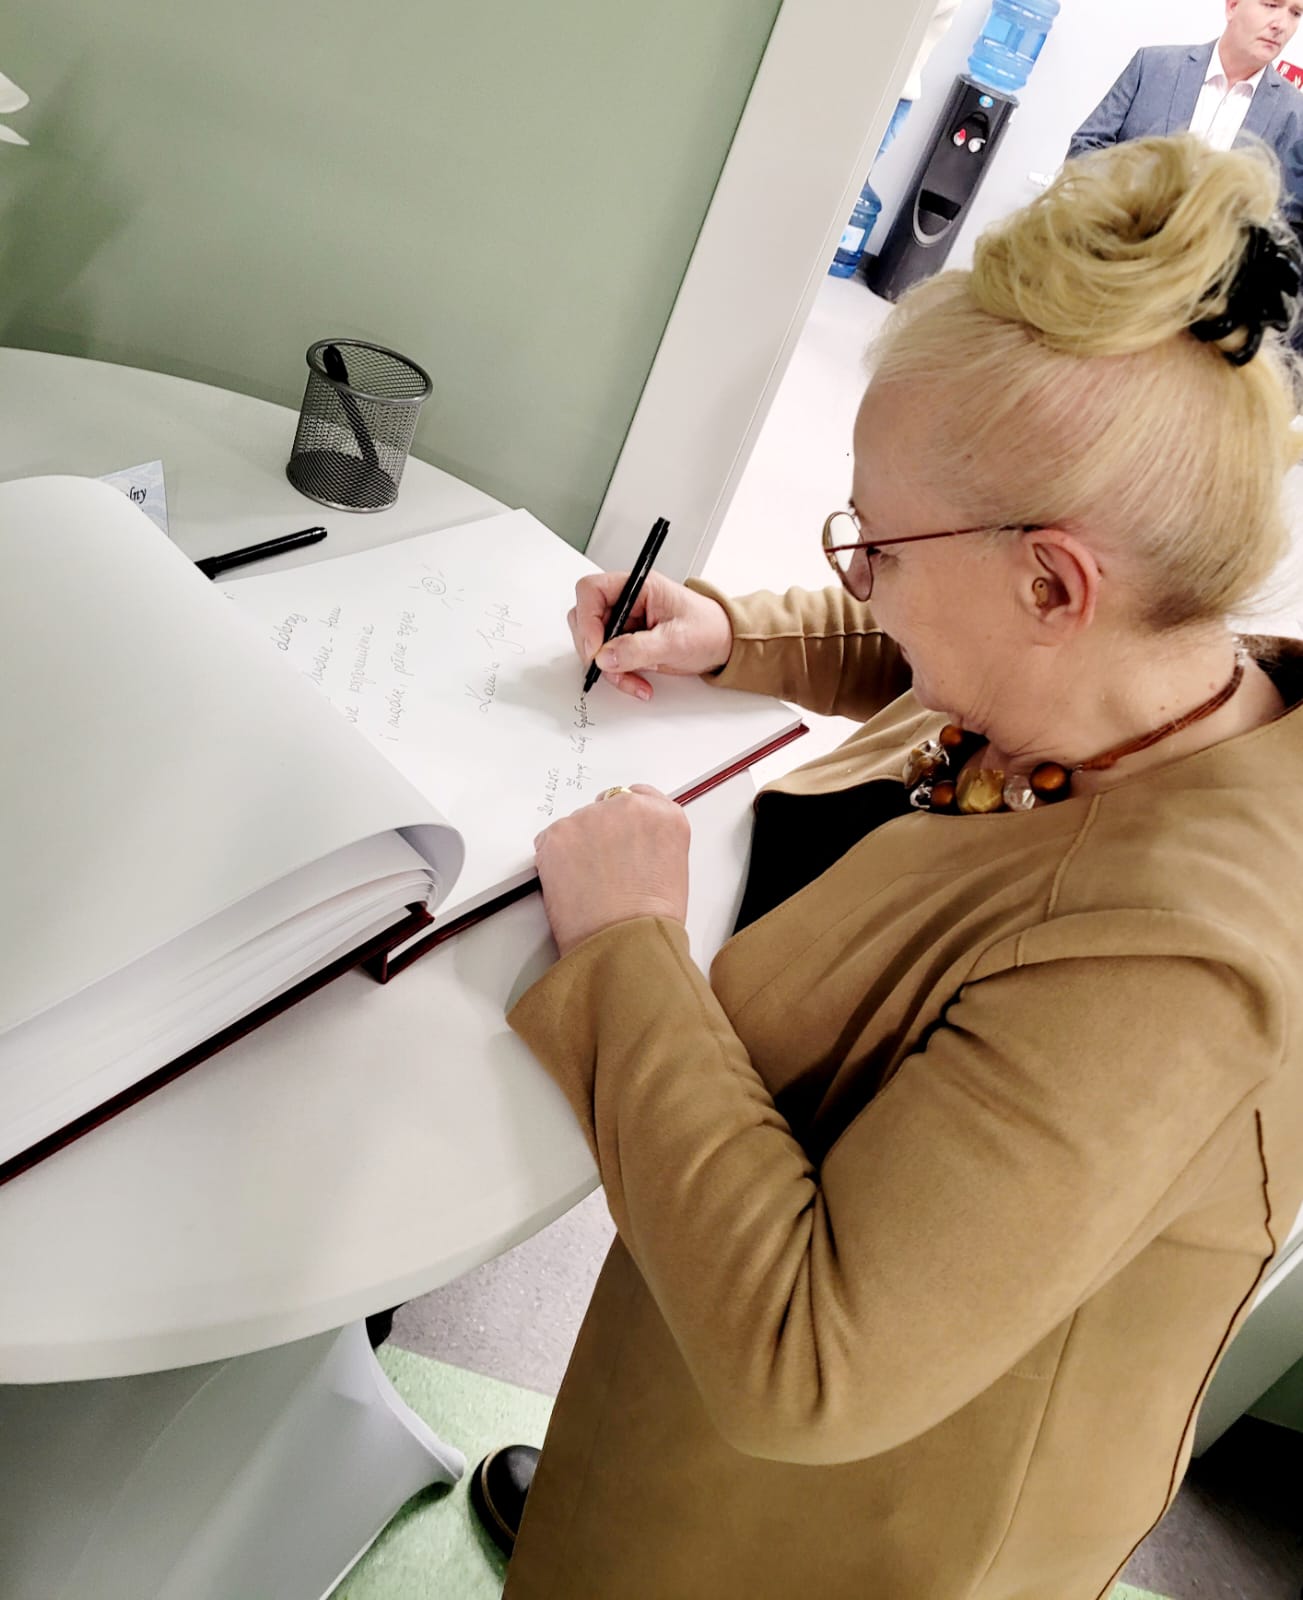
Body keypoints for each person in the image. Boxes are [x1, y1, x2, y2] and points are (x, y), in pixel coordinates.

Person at [473, 134, 1303, 1599]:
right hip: (706, 1371)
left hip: (840, 1526)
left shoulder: (1174, 962)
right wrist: (735, 635)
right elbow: (940, 663)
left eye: (875, 546)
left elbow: (807, 1364)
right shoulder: (1154, 670)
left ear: (1053, 581)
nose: (859, 575)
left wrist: (624, 954)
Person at [1068, 0, 1303, 163]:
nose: (1281, 25)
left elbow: (1291, 213)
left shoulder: (1294, 113)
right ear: (1233, 6)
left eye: (1295, 13)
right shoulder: (1152, 66)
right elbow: (1085, 148)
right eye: (1271, 5)